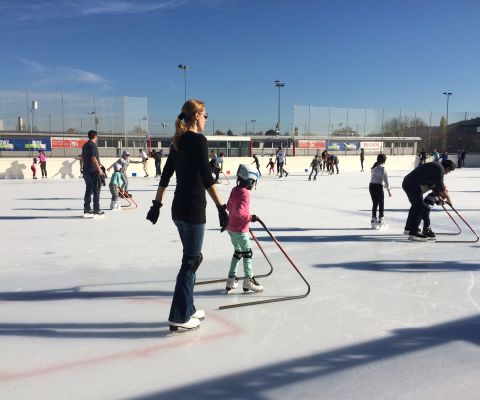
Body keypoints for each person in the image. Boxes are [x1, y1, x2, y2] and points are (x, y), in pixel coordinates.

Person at [146, 99, 228, 332]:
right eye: (205, 115)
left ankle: (188, 307)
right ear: (196, 116)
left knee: (193, 257)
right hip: (193, 209)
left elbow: (165, 176)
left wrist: (157, 204)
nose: (206, 120)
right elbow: (206, 177)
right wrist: (222, 208)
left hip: (177, 210)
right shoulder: (198, 140)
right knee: (190, 262)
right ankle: (179, 315)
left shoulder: (177, 142)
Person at [225, 164, 263, 293]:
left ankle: (231, 279)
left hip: (231, 228)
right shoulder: (245, 193)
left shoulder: (235, 189)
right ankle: (248, 280)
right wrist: (250, 217)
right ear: (250, 180)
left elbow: (229, 207)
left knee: (238, 252)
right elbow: (239, 212)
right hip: (240, 230)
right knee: (248, 253)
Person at [402, 160, 455, 241]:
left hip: (409, 183)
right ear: (447, 168)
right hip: (412, 184)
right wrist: (448, 199)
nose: (447, 173)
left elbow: (434, 185)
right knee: (419, 207)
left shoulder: (436, 167)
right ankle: (413, 233)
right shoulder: (439, 169)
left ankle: (409, 229)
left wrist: (439, 197)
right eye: (449, 171)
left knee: (416, 206)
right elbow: (440, 187)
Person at [81, 130, 104, 217]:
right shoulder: (93, 145)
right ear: (95, 136)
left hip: (86, 171)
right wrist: (99, 170)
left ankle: (87, 209)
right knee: (96, 190)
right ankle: (96, 210)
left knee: (88, 190)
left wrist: (82, 168)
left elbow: (82, 158)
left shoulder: (85, 145)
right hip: (93, 172)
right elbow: (93, 158)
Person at [369, 154, 392, 229]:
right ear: (384, 161)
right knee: (381, 203)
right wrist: (389, 191)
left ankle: (373, 219)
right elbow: (386, 181)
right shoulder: (383, 169)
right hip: (378, 186)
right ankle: (381, 219)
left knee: (375, 203)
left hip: (371, 186)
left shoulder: (373, 168)